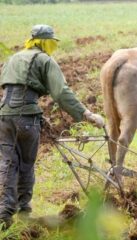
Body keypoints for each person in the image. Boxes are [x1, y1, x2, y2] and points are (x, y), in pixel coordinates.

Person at [0, 24, 104, 229]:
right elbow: (61, 93)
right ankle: (23, 213)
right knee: (26, 165)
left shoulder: (12, 58)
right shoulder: (44, 60)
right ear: (46, 42)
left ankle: (4, 214)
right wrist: (87, 114)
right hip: (27, 119)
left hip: (3, 117)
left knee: (8, 165)